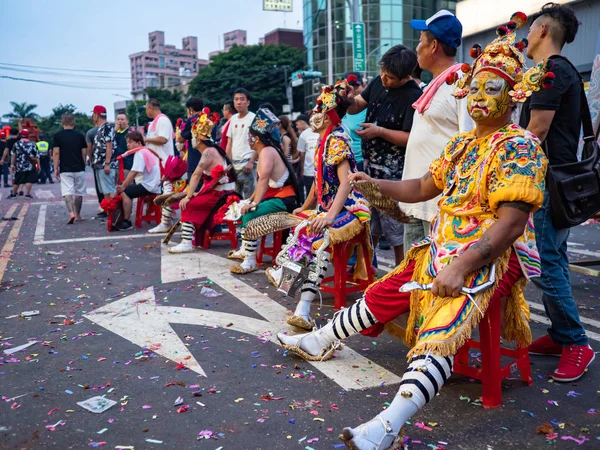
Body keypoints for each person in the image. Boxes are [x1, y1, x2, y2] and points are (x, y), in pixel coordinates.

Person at [277, 17, 550, 448]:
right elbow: (424, 187)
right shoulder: (461, 146)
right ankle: (320, 338)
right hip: (446, 244)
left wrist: (462, 264)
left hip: (494, 254)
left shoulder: (519, 146)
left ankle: (389, 424)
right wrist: (375, 184)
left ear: (513, 96)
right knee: (389, 287)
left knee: (444, 321)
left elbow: (511, 224)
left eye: (491, 89)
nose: (479, 97)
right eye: (475, 88)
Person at [519, 2, 594, 381]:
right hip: (557, 179)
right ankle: (562, 334)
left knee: (544, 262)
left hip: (547, 181)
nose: (526, 36)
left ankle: (578, 342)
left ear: (544, 30)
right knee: (554, 258)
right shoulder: (559, 71)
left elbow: (537, 128)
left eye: (531, 29)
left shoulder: (551, 71)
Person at [266, 81, 372, 331]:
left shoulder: (336, 139)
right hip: (329, 207)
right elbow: (319, 181)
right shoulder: (324, 140)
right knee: (302, 225)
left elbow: (346, 181)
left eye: (318, 111)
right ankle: (288, 277)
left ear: (327, 116)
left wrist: (329, 216)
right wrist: (304, 206)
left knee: (320, 237)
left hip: (349, 208)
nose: (313, 114)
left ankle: (303, 309)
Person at [400, 9, 474, 250]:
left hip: (439, 202)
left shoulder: (462, 81)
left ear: (433, 46)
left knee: (434, 276)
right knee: (412, 275)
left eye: (420, 41)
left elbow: (470, 140)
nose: (416, 47)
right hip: (416, 197)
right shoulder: (436, 83)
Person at [345, 45, 423, 265]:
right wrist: (350, 99)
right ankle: (365, 268)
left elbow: (410, 138)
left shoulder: (414, 96)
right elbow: (357, 106)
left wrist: (379, 131)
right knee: (371, 223)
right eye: (382, 73)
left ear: (406, 77)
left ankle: (400, 274)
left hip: (395, 176)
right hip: (370, 170)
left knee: (396, 230)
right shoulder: (378, 82)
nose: (384, 79)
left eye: (390, 78)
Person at [228, 108, 300, 274]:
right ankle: (246, 248)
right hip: (275, 197)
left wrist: (253, 204)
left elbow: (263, 180)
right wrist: (249, 201)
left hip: (284, 200)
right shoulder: (266, 151)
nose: (248, 139)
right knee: (240, 207)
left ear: (257, 138)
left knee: (250, 214)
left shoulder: (267, 151)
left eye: (250, 136)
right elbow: (262, 185)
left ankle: (250, 260)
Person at [168, 112, 238, 253]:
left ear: (198, 139)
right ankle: (189, 239)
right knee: (190, 200)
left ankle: (187, 242)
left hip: (221, 194)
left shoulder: (208, 152)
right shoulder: (209, 151)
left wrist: (188, 197)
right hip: (216, 192)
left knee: (188, 204)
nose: (191, 141)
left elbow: (196, 175)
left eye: (192, 137)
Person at [115, 132, 162, 231]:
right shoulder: (146, 151)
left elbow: (133, 172)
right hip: (154, 184)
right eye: (127, 142)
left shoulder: (140, 153)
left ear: (139, 142)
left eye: (130, 142)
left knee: (124, 192)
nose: (128, 145)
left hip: (149, 186)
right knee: (129, 188)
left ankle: (127, 221)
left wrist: (123, 186)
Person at [53, 113, 88, 224]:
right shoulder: (80, 136)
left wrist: (55, 168)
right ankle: (78, 215)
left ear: (62, 122)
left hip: (65, 168)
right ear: (74, 122)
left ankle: (71, 213)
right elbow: (84, 153)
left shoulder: (57, 136)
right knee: (79, 192)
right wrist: (83, 165)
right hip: (79, 168)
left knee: (67, 191)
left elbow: (56, 152)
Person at [226, 88, 256, 199]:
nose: (239, 102)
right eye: (236, 99)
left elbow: (260, 142)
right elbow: (230, 142)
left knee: (249, 198)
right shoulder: (233, 119)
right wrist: (227, 162)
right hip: (234, 165)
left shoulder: (253, 118)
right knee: (235, 197)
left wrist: (251, 161)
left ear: (248, 102)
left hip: (248, 164)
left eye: (242, 99)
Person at [341, 72, 367, 171]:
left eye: (355, 86)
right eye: (347, 87)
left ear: (364, 86)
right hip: (341, 159)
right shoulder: (340, 107)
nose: (351, 89)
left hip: (360, 162)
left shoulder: (367, 107)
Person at [91, 105, 117, 201]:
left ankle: (113, 214)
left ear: (97, 115)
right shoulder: (101, 128)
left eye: (93, 114)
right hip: (99, 165)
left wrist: (107, 163)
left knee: (109, 191)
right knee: (105, 192)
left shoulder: (107, 127)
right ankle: (108, 212)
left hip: (104, 164)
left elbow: (109, 146)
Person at [178, 97, 205, 181]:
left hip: (195, 160)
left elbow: (181, 139)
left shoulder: (193, 120)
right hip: (208, 160)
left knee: (194, 190)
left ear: (190, 109)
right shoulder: (209, 120)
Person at [8, 129, 39, 199]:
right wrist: (38, 165)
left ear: (21, 135)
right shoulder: (33, 144)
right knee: (29, 179)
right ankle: (27, 194)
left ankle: (13, 194)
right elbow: (37, 156)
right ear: (28, 135)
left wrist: (12, 164)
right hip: (30, 165)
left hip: (19, 165)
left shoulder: (16, 144)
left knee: (17, 180)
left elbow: (13, 154)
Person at [297, 112, 320, 201]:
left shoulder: (325, 131)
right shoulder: (304, 134)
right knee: (311, 197)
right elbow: (301, 154)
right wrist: (302, 170)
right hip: (309, 172)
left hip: (322, 170)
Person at [86, 125, 103, 214]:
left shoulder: (90, 132)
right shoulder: (111, 129)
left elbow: (89, 148)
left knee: (99, 186)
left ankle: (103, 206)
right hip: (110, 163)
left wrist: (91, 160)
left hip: (97, 162)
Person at [114, 113, 133, 179]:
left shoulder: (130, 133)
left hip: (127, 165)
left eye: (122, 119)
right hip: (116, 165)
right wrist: (114, 132)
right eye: (118, 119)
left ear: (127, 121)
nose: (120, 121)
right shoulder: (115, 133)